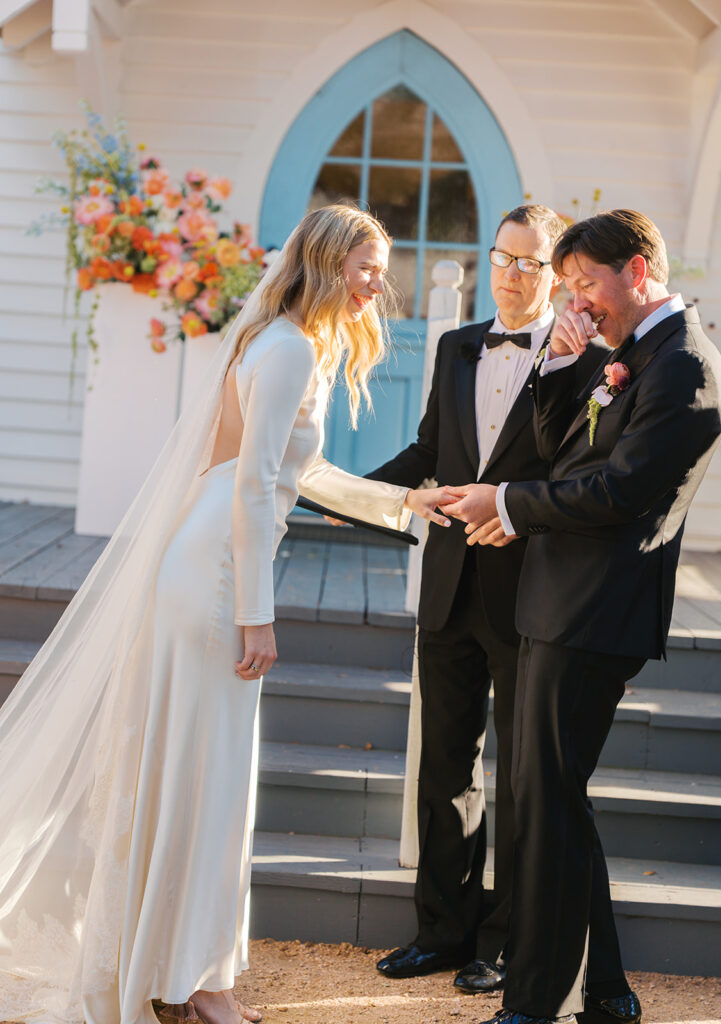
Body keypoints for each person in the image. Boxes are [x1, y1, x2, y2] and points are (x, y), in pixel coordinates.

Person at [0, 204, 455, 1024]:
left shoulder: (282, 341)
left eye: (380, 270)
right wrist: (256, 614)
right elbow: (252, 487)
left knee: (197, 777)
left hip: (208, 559)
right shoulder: (288, 350)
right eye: (366, 268)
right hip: (214, 576)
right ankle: (198, 983)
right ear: (327, 264)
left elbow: (297, 474)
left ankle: (175, 969)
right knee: (207, 783)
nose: (377, 286)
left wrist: (404, 502)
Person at [441, 209, 721, 1024]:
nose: (575, 299)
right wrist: (564, 365)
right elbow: (558, 449)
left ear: (637, 271)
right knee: (553, 797)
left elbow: (620, 491)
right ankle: (604, 992)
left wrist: (508, 504)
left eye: (585, 282)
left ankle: (537, 1004)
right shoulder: (624, 353)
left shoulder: (686, 366)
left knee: (546, 806)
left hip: (597, 612)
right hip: (555, 603)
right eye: (566, 284)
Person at [368, 205, 607, 993]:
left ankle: (506, 943)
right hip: (448, 587)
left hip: (529, 594)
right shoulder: (455, 346)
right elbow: (431, 450)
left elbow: (574, 476)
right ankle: (441, 931)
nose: (511, 274)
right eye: (503, 257)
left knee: (523, 778)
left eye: (530, 263)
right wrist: (350, 492)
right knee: (444, 768)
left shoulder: (584, 362)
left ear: (556, 274)